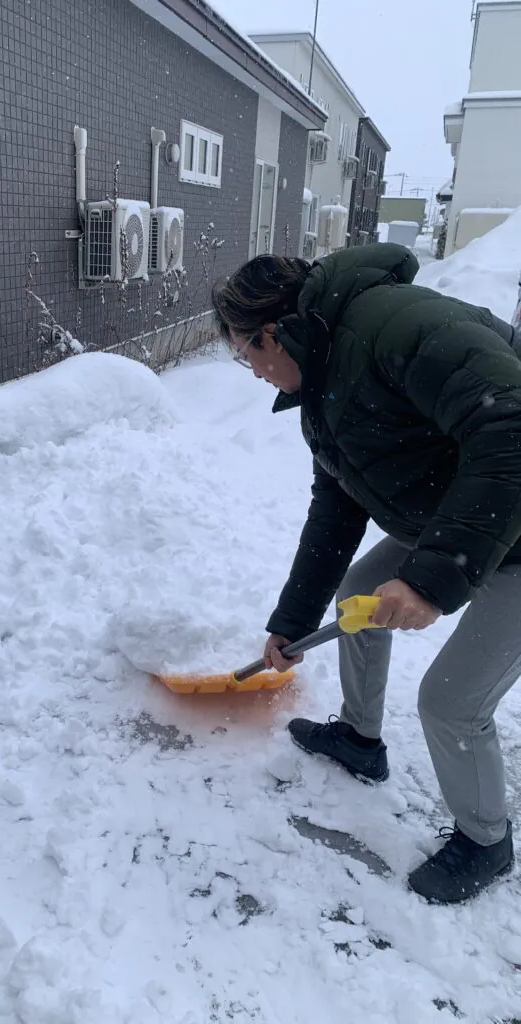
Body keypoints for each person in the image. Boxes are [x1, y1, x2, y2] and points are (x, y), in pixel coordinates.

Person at [211, 243, 521, 905]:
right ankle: (360, 738)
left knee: (451, 703)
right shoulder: (325, 380)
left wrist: (435, 578)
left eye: (245, 357)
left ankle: (486, 840)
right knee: (356, 592)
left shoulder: (394, 326)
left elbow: (511, 427)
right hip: (462, 514)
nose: (254, 373)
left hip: (516, 525)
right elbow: (335, 509)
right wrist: (290, 624)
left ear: (273, 333)